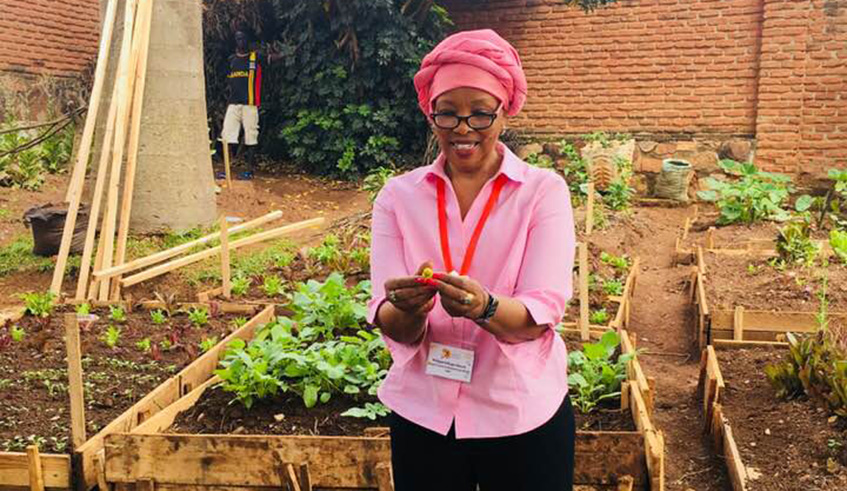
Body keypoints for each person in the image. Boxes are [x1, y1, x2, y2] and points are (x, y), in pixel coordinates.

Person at [368, 29, 577, 491]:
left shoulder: (542, 193)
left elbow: (540, 315)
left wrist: (484, 307)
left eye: (480, 114)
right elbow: (387, 319)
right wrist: (406, 308)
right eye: (448, 113)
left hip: (520, 414)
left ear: (504, 112)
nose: (463, 129)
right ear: (431, 113)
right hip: (425, 415)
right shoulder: (398, 198)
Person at [221, 30, 280, 180]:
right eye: (238, 38)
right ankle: (226, 170)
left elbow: (272, 59)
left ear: (247, 41)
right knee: (227, 135)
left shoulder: (256, 58)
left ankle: (249, 170)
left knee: (251, 136)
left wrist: (289, 53)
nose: (240, 41)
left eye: (243, 38)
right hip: (233, 104)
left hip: (250, 104)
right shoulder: (231, 60)